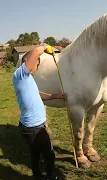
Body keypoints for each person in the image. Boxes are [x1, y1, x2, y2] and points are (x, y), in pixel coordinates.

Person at [12, 46, 67, 180]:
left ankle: (37, 175)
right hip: (33, 128)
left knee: (35, 153)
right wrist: (46, 47)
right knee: (50, 155)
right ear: (28, 62)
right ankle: (51, 176)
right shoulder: (20, 74)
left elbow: (37, 94)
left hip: (31, 126)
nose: (38, 66)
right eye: (37, 63)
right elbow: (36, 51)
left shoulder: (27, 78)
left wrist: (55, 96)